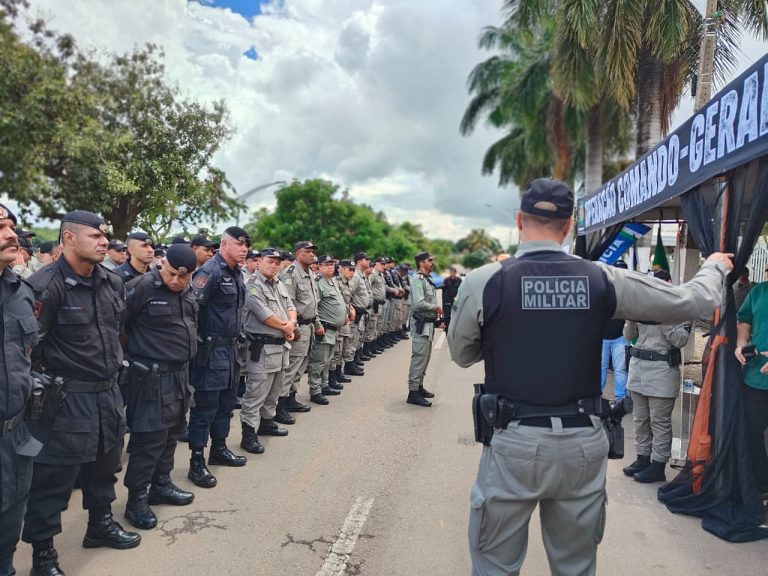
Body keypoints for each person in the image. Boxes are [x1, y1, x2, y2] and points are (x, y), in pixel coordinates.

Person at [447, 178, 730, 576]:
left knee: (494, 565)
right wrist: (714, 268)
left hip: (513, 443)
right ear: (569, 225)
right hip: (582, 441)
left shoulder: (486, 281)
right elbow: (692, 300)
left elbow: (461, 354)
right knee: (576, 567)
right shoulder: (602, 279)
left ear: (518, 221)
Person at [23, 210, 140, 576]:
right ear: (69, 239)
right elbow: (28, 347)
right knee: (54, 480)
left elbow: (116, 331)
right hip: (65, 401)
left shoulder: (110, 281)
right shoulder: (46, 285)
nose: (104, 241)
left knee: (105, 466)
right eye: (95, 236)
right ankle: (43, 554)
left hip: (106, 394)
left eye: (105, 236)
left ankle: (99, 526)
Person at [121, 245, 199, 530]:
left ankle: (161, 484)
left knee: (171, 434)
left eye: (184, 277)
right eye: (171, 274)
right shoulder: (141, 287)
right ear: (162, 264)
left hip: (179, 375)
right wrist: (133, 359)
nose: (176, 281)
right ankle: (136, 499)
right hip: (151, 378)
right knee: (148, 440)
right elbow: (117, 325)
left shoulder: (189, 292)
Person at [187, 227, 250, 489]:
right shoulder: (210, 271)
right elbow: (191, 310)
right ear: (225, 244)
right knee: (205, 407)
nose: (245, 249)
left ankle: (219, 448)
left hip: (231, 350)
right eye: (240, 244)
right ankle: (196, 461)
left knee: (226, 404)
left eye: (247, 245)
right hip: (211, 351)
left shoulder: (236, 273)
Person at [0, 203, 43, 576]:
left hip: (15, 438)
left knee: (7, 536)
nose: (12, 235)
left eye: (11, 226)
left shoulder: (20, 290)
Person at [622, 269, 692, 483]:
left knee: (659, 421)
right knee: (640, 419)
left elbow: (680, 341)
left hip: (662, 371)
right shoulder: (642, 306)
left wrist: (663, 320)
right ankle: (643, 458)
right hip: (638, 368)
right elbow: (628, 336)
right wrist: (631, 317)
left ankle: (658, 465)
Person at [240, 248, 296, 454]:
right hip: (262, 348)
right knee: (256, 393)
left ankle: (267, 423)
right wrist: (286, 327)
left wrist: (291, 323)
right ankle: (248, 434)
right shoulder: (252, 285)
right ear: (259, 262)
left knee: (274, 390)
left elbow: (291, 306)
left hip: (280, 347)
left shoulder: (279, 283)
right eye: (270, 261)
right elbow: (263, 314)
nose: (274, 265)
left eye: (277, 262)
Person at [279, 241, 321, 413]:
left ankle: (291, 398)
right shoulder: (290, 274)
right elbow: (287, 305)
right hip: (298, 327)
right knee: (290, 368)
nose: (312, 254)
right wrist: (293, 329)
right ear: (298, 254)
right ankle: (280, 405)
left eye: (313, 251)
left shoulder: (309, 272)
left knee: (300, 366)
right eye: (307, 251)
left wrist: (317, 324)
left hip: (309, 326)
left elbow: (312, 302)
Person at [735, 277, 768, 501]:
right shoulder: (759, 291)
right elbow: (744, 321)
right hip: (755, 379)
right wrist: (741, 344)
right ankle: (762, 490)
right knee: (751, 435)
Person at [307, 255, 348, 404]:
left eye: (332, 264)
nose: (331, 267)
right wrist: (317, 325)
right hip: (324, 328)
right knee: (318, 362)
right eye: (327, 264)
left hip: (333, 329)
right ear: (319, 266)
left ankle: (324, 385)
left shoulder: (332, 281)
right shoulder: (318, 282)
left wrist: (344, 314)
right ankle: (315, 390)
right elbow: (314, 307)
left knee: (327, 360)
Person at [406, 252, 442, 407]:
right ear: (421, 263)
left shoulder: (426, 279)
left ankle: (419, 387)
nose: (432, 263)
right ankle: (413, 393)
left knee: (425, 358)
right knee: (419, 357)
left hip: (428, 324)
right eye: (429, 260)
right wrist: (435, 307)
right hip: (420, 325)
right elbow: (419, 303)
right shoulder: (418, 280)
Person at [600, 260, 629, 400]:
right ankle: (597, 397)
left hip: (620, 337)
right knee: (600, 369)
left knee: (620, 370)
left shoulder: (629, 290)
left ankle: (621, 399)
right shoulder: (603, 288)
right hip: (602, 337)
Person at [365, 257, 388, 356]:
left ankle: (373, 345)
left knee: (377, 326)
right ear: (376, 264)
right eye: (381, 264)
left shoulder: (380, 274)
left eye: (384, 264)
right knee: (371, 327)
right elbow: (368, 287)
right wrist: (372, 299)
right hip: (375, 304)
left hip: (380, 304)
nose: (383, 266)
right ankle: (367, 349)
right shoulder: (373, 274)